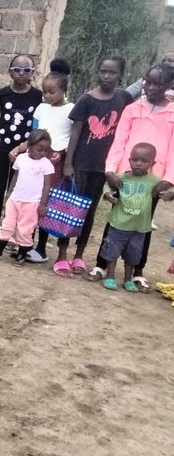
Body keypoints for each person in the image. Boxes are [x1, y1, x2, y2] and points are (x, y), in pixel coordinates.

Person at [88, 61, 174, 287]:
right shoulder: (133, 109)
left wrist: (168, 180)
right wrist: (110, 170)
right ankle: (101, 264)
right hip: (125, 176)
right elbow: (119, 142)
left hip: (154, 180)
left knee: (143, 224)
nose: (151, 88)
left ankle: (137, 270)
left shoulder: (172, 113)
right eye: (148, 82)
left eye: (158, 84)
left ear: (169, 84)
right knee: (115, 220)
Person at [56, 55, 134, 276]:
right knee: (71, 209)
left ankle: (79, 255)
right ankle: (62, 254)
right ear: (97, 73)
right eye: (103, 71)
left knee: (89, 212)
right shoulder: (86, 100)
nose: (107, 76)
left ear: (120, 75)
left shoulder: (124, 98)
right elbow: (75, 133)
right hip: (81, 164)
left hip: (104, 167)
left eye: (112, 72)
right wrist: (68, 163)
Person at [0, 54, 43, 247]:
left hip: (26, 151)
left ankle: (14, 231)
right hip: (2, 147)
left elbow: (39, 121)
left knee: (19, 190)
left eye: (26, 70)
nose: (21, 73)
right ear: (10, 72)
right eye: (17, 69)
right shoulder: (1, 94)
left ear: (32, 73)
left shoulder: (37, 96)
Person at [17, 62, 73, 264]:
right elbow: (34, 133)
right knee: (30, 199)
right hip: (35, 159)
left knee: (46, 201)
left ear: (63, 90)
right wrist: (24, 149)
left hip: (55, 161)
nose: (47, 96)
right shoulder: (41, 109)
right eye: (45, 92)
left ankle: (41, 247)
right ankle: (25, 243)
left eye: (52, 92)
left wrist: (64, 155)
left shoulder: (71, 110)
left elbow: (72, 137)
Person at [98, 143, 172, 292]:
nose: (138, 163)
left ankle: (128, 280)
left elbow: (170, 189)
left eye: (144, 161)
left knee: (133, 255)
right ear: (129, 160)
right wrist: (108, 194)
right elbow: (107, 185)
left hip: (139, 228)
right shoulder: (121, 177)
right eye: (135, 159)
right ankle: (110, 277)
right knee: (112, 251)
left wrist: (171, 194)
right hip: (118, 224)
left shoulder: (155, 181)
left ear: (152, 163)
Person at [0, 130, 55, 265]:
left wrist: (43, 204)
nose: (43, 153)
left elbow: (47, 186)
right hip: (15, 199)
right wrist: (9, 194)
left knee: (26, 229)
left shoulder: (46, 164)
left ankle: (22, 253)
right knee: (7, 224)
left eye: (46, 151)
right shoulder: (21, 159)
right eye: (40, 150)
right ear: (29, 146)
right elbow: (16, 176)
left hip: (32, 203)